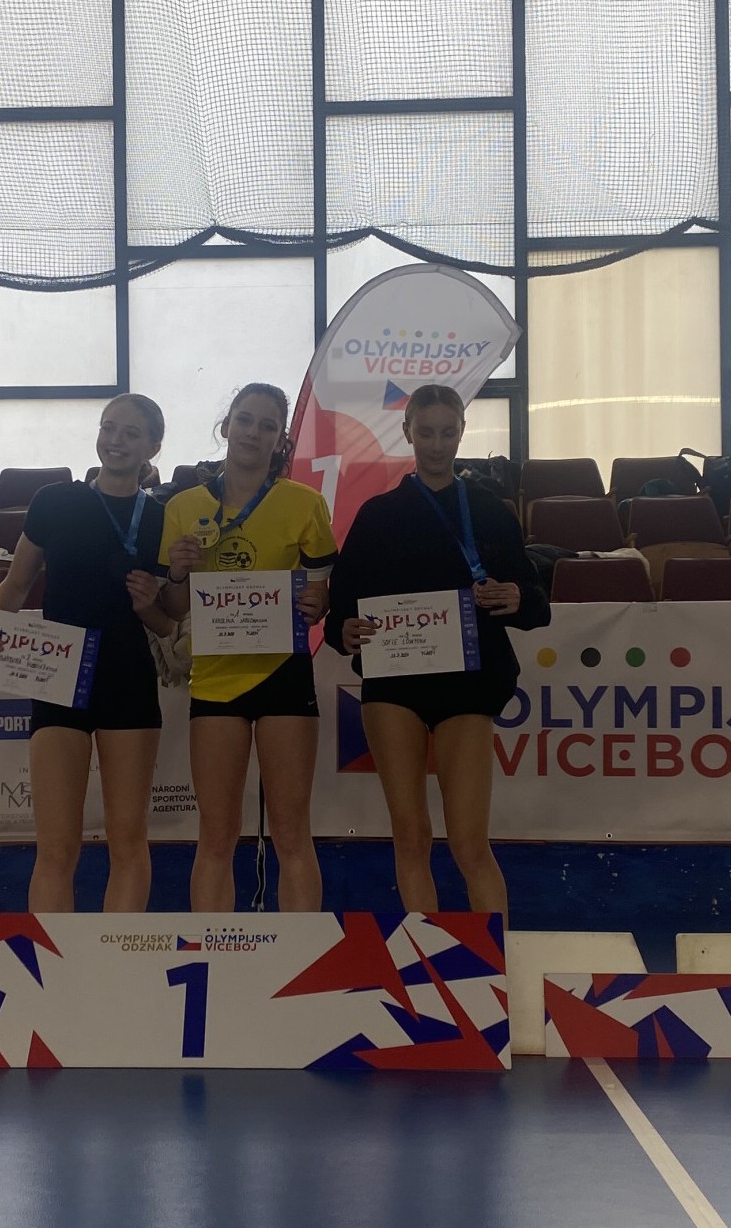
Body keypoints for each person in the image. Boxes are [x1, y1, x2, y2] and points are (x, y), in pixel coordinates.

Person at [327, 384, 549, 919]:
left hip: (468, 685)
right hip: (394, 685)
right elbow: (342, 606)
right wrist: (344, 630)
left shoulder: (490, 511)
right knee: (411, 836)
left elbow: (535, 602)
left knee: (470, 842)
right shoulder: (377, 514)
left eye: (447, 432)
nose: (436, 444)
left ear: (462, 432)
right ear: (407, 433)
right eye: (425, 432)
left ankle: (494, 958)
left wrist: (516, 597)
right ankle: (425, 953)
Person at [0, 394, 175, 912]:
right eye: (109, 427)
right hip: (57, 678)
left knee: (127, 842)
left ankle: (118, 956)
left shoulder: (162, 518)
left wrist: (151, 603)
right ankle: (51, 960)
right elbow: (15, 584)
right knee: (56, 848)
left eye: (131, 433)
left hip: (128, 680)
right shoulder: (54, 501)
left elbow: (170, 618)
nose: (115, 440)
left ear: (153, 446)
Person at [158, 382, 336, 912]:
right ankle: (213, 950)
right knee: (216, 835)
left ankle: (300, 953)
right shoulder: (183, 507)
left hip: (284, 674)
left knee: (292, 832)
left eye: (267, 425)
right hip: (215, 680)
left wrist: (319, 602)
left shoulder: (305, 503)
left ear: (280, 439)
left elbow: (321, 590)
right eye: (244, 420)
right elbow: (174, 606)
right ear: (226, 425)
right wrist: (177, 572)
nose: (253, 433)